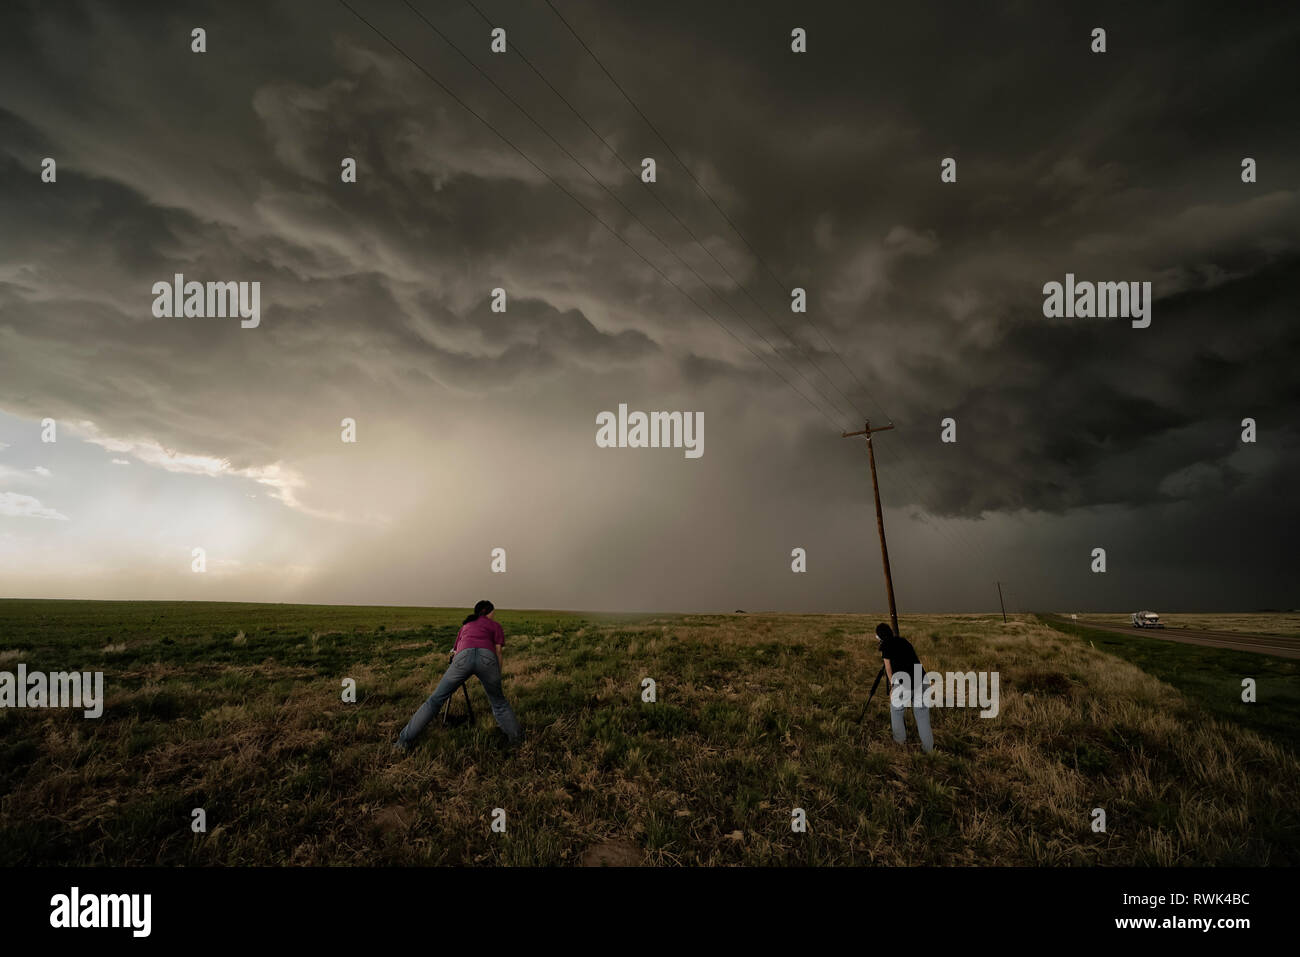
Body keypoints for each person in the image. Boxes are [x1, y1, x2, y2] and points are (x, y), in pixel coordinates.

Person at [394, 600, 522, 752]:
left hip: (463, 657)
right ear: (489, 611)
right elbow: (498, 651)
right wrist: (497, 674)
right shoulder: (495, 625)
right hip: (487, 659)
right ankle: (517, 742)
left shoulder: (466, 626)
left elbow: (455, 653)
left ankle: (403, 742)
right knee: (499, 703)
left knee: (434, 701)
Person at [874, 622, 934, 753]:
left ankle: (900, 744)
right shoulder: (904, 641)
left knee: (896, 711)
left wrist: (892, 687)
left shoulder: (886, 647)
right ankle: (928, 749)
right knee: (922, 715)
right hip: (921, 679)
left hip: (903, 683)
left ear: (880, 637)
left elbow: (888, 669)